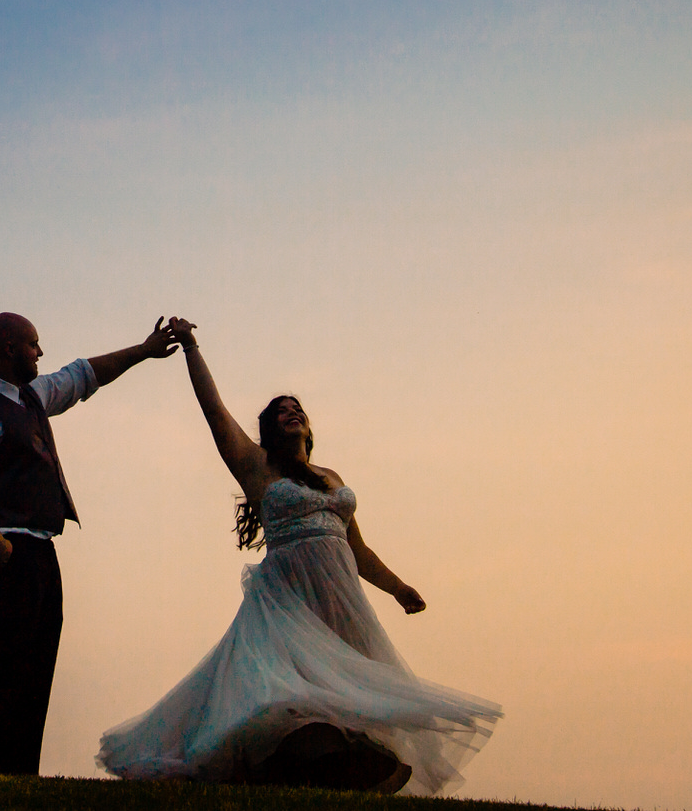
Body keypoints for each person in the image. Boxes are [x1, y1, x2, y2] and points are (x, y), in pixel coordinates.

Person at [97, 318, 502, 793]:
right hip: (287, 606)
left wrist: (399, 589)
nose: (291, 412)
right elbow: (214, 411)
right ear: (269, 429)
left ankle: (328, 769)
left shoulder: (331, 476)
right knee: (295, 704)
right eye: (280, 410)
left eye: (298, 409)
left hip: (341, 610)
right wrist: (191, 347)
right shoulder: (256, 466)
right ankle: (287, 764)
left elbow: (358, 550)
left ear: (309, 427)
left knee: (348, 705)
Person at [0, 312, 181, 775]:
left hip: (40, 549)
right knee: (6, 661)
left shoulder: (30, 397)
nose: (40, 352)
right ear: (8, 348)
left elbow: (83, 375)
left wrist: (144, 350)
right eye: (33, 344)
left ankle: (18, 770)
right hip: (8, 549)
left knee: (37, 664)